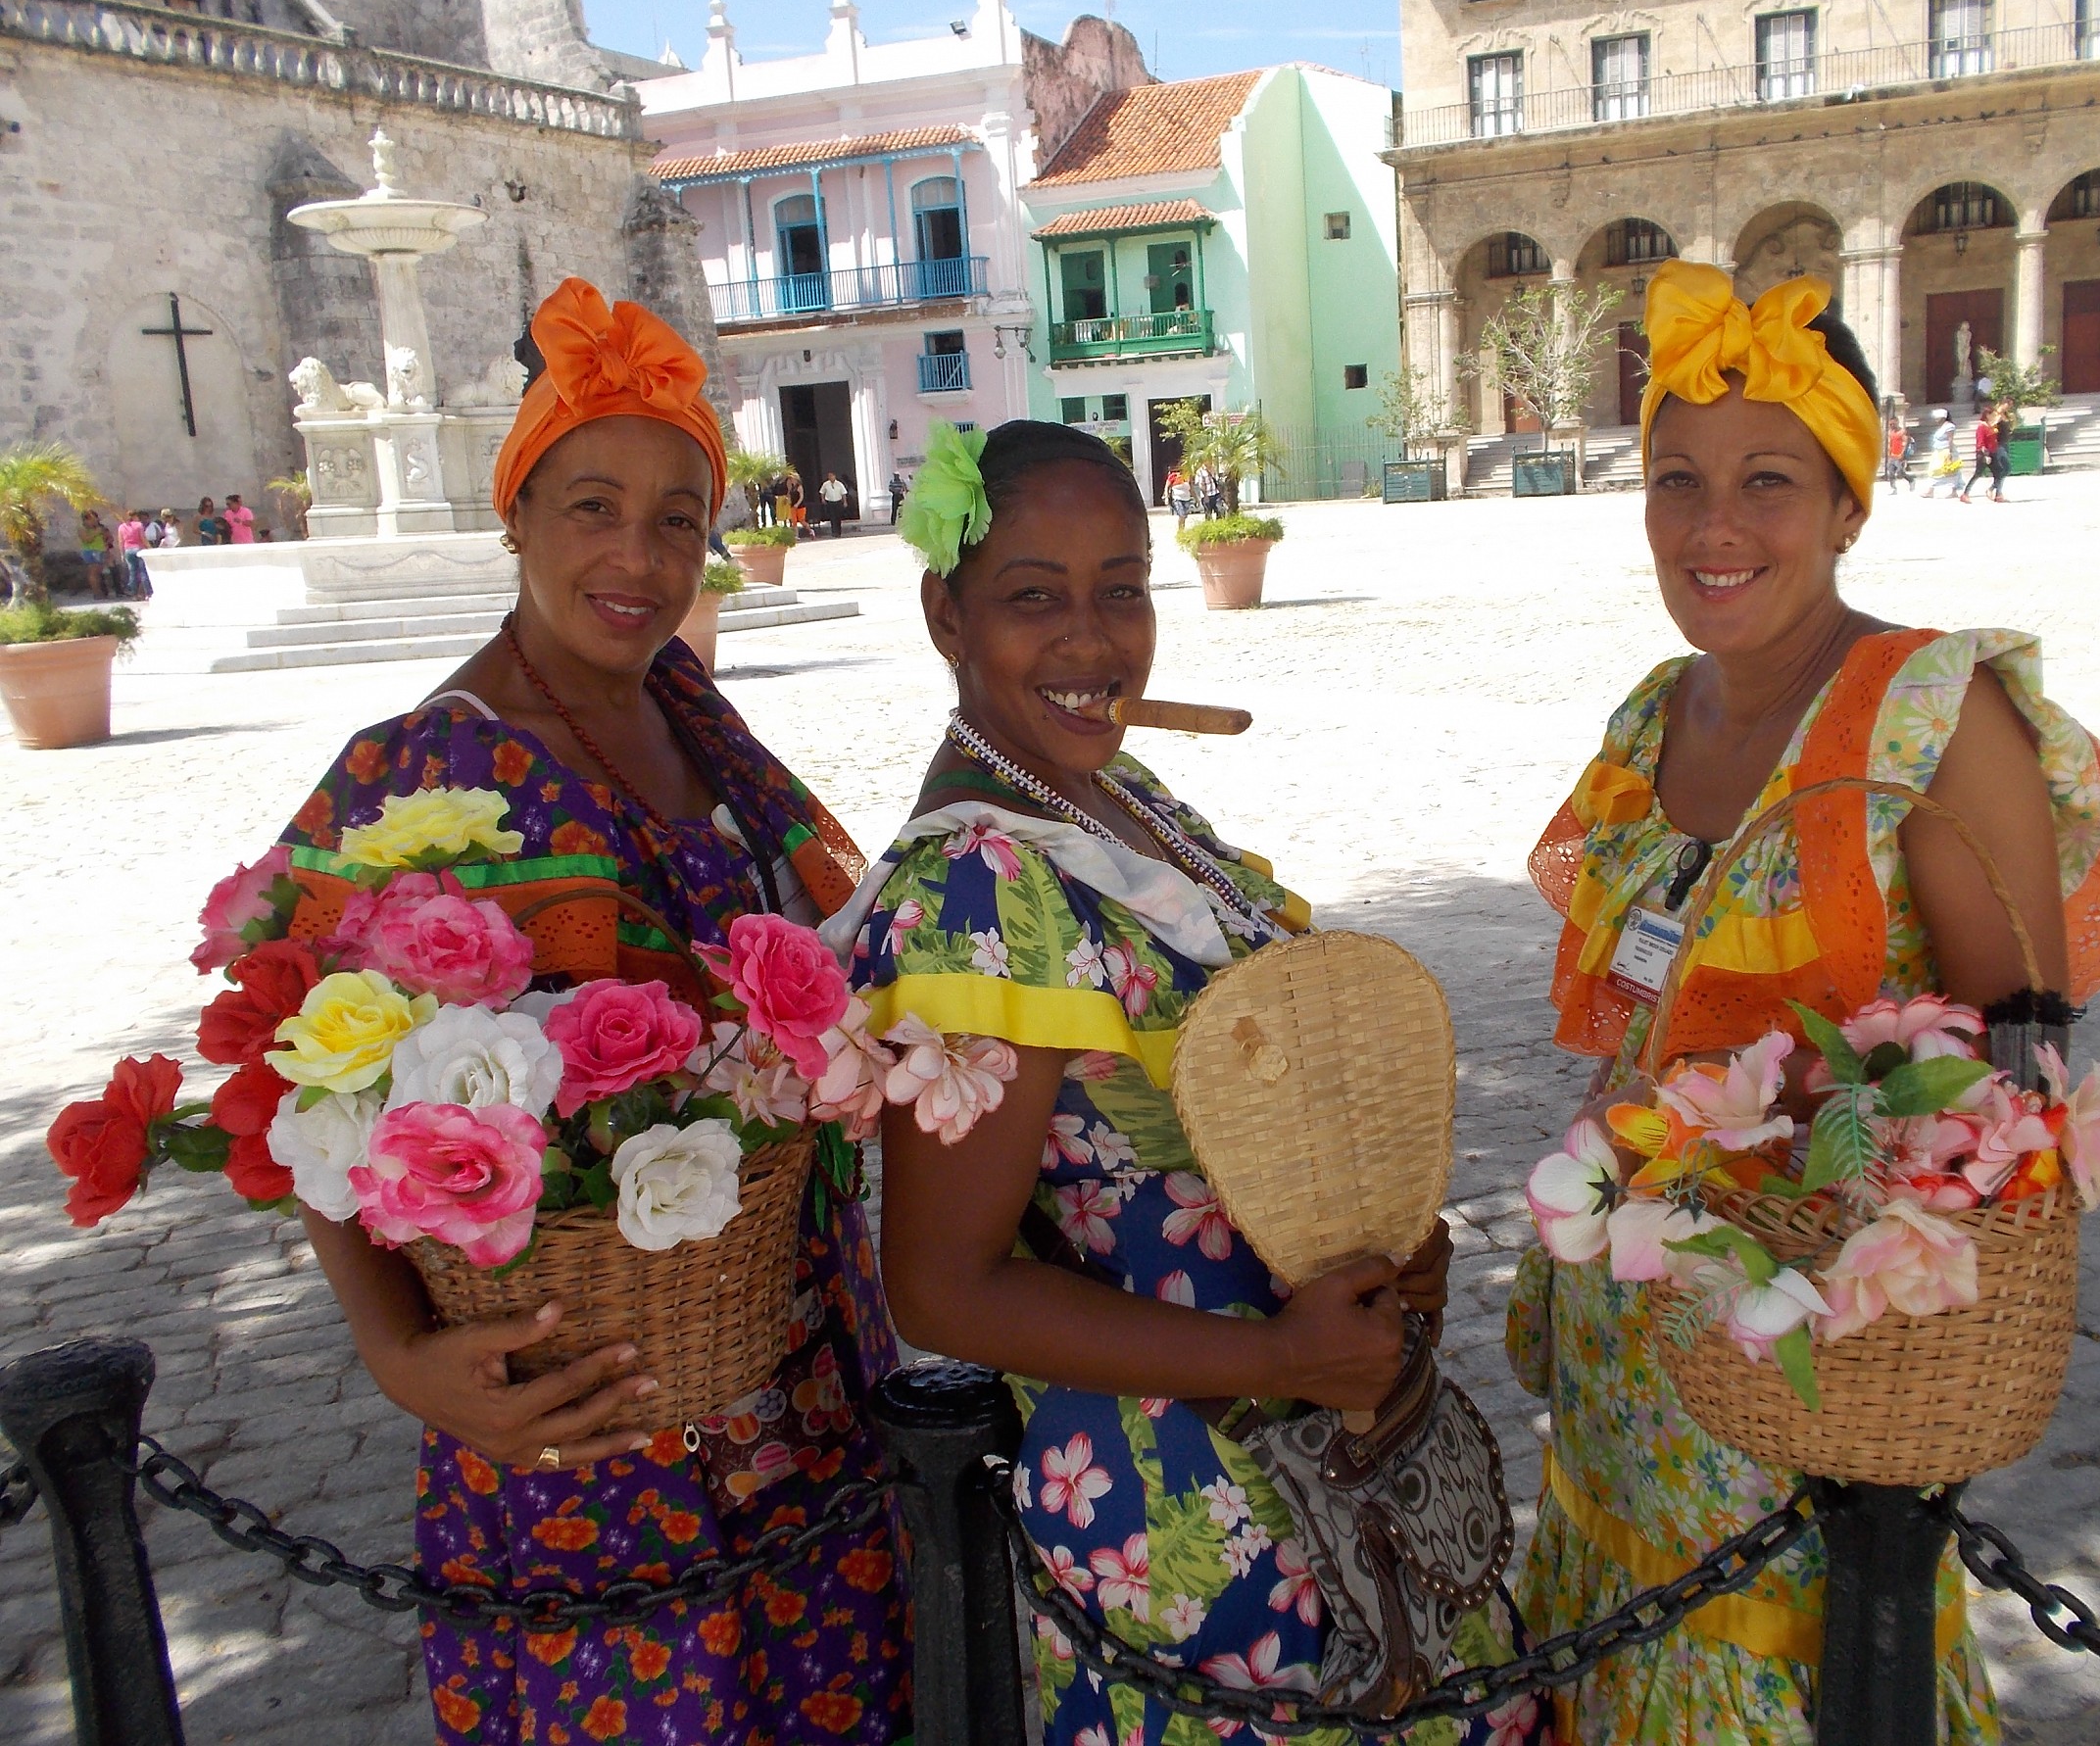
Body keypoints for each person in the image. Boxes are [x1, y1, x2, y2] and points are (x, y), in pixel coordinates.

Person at [1507, 260, 2100, 1744]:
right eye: (1677, 481)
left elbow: (2018, 1102)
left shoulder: (1937, 717)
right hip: (1623, 1367)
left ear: (1852, 503)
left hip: (1813, 1368)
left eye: (1769, 481)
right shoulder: (1650, 717)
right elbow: (1629, 1026)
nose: (1715, 528)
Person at [831, 418, 1545, 1746]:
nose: (1092, 640)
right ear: (946, 615)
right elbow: (939, 1286)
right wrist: (1274, 1353)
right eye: (1034, 597)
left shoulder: (1122, 795)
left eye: (1123, 588)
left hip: (1331, 1445)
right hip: (1193, 1517)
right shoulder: (975, 888)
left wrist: (1377, 1245)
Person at [277, 277, 908, 1746]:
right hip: (586, 1423)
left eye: (680, 517)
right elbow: (300, 1088)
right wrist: (395, 1353)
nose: (640, 556)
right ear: (514, 515)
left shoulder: (695, 722)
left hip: (806, 1376)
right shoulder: (423, 773)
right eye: (592, 508)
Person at [1924, 408, 1964, 499]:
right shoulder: (1942, 427)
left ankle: (1953, 491)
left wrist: (1950, 452)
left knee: (1950, 471)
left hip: (1945, 451)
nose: (1936, 420)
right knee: (1933, 470)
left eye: (1937, 418)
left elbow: (1950, 439)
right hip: (1938, 451)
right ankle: (1930, 491)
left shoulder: (1950, 426)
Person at [1962, 407, 2000, 502]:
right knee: (1978, 473)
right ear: (1988, 415)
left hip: (1993, 452)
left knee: (1999, 473)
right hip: (1983, 453)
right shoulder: (1981, 427)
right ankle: (1965, 494)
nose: (1995, 416)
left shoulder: (1991, 426)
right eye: (1993, 415)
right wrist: (1985, 455)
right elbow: (1981, 443)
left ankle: (1993, 490)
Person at [114, 510, 153, 600]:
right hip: (139, 549)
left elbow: (121, 541)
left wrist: (122, 554)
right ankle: (148, 593)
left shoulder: (121, 527)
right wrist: (150, 548)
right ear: (135, 516)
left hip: (128, 550)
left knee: (132, 573)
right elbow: (143, 539)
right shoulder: (139, 525)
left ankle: (134, 594)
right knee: (143, 572)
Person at [76, 509, 114, 598]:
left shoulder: (100, 528)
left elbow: (109, 538)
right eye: (92, 519)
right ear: (86, 520)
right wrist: (97, 532)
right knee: (93, 573)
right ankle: (96, 593)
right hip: (91, 551)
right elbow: (87, 539)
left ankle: (102, 591)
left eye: (96, 518)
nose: (95, 521)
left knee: (100, 573)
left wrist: (106, 542)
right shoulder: (82, 529)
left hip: (101, 551)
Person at [1990, 402, 2016, 503]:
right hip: (1998, 444)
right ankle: (1992, 488)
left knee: (2003, 469)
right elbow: (1990, 426)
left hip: (2005, 443)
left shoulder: (2006, 415)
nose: (2009, 407)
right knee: (2006, 468)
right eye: (2008, 405)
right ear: (2003, 404)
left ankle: (1998, 493)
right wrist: (1996, 421)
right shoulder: (1996, 415)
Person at [1883, 414, 1914, 491]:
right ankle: (1893, 488)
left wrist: (1902, 454)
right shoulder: (1890, 432)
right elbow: (1890, 443)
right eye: (1890, 424)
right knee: (1891, 472)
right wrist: (1889, 452)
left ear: (1897, 423)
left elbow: (1905, 443)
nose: (1892, 426)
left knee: (1900, 472)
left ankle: (1911, 480)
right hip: (1892, 455)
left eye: (1893, 424)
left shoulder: (1902, 432)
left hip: (1899, 455)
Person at [818, 469, 850, 537]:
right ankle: (834, 532)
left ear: (834, 476)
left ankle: (838, 532)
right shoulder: (825, 484)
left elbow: (843, 493)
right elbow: (822, 492)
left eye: (831, 476)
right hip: (830, 502)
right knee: (832, 517)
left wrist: (845, 502)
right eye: (829, 476)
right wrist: (823, 499)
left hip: (838, 502)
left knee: (838, 517)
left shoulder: (839, 484)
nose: (830, 477)